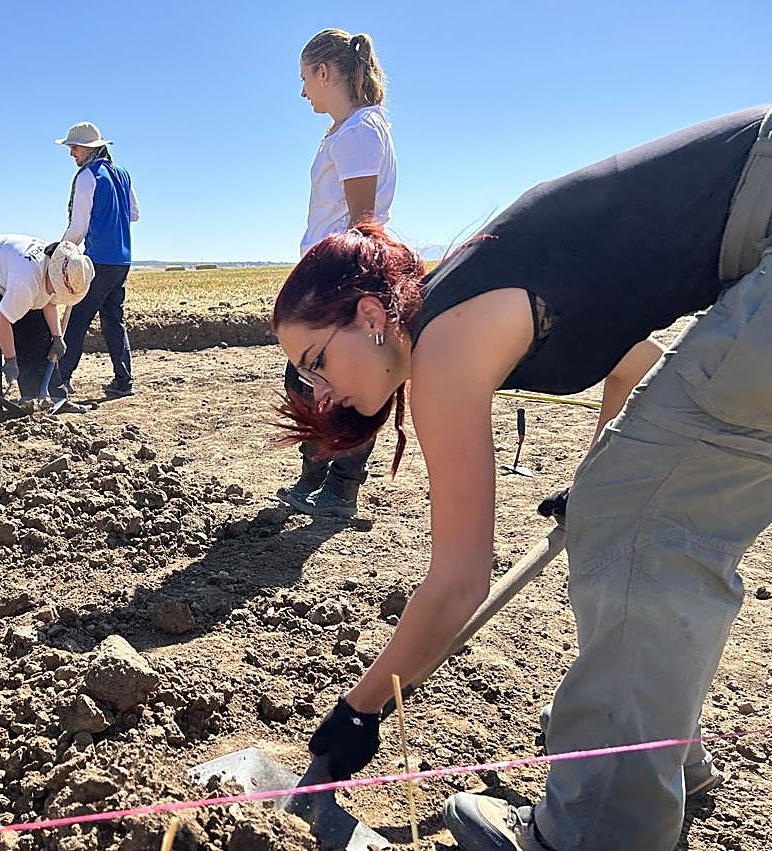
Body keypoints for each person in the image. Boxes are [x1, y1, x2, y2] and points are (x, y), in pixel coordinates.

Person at [273, 106, 771, 851]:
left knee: (642, 522)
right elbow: (638, 367)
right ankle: (659, 759)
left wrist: (359, 713)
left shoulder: (443, 346)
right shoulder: (480, 296)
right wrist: (591, 486)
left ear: (372, 314)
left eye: (316, 362)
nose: (319, 392)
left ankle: (596, 832)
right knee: (630, 511)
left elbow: (456, 584)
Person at [277, 29, 397, 519]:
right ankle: (316, 477)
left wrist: (342, 290)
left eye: (305, 77)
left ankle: (341, 487)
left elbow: (361, 221)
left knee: (341, 381)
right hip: (328, 271)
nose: (303, 90)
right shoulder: (349, 131)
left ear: (324, 72)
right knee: (307, 378)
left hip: (342, 274)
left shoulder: (359, 133)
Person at [0, 235, 92, 414]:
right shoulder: (27, 281)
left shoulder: (60, 267)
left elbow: (50, 301)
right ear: (52, 275)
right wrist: (10, 360)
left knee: (36, 335)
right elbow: (3, 319)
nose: (58, 292)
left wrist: (57, 337)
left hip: (11, 273)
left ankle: (46, 398)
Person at [53, 121, 139, 401]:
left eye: (74, 148)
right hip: (122, 259)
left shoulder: (87, 176)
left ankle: (60, 382)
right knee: (114, 318)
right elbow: (134, 214)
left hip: (98, 260)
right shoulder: (122, 173)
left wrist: (60, 253)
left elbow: (78, 227)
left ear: (89, 148)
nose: (71, 153)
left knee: (77, 319)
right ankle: (123, 381)